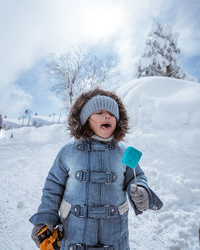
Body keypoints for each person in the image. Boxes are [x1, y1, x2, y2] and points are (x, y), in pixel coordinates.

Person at [30, 88, 163, 250]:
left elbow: (137, 176)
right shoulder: (69, 151)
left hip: (115, 236)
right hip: (74, 235)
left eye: (112, 114)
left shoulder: (123, 151)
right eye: (99, 112)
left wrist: (141, 189)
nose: (107, 116)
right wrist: (46, 219)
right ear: (86, 119)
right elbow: (53, 185)